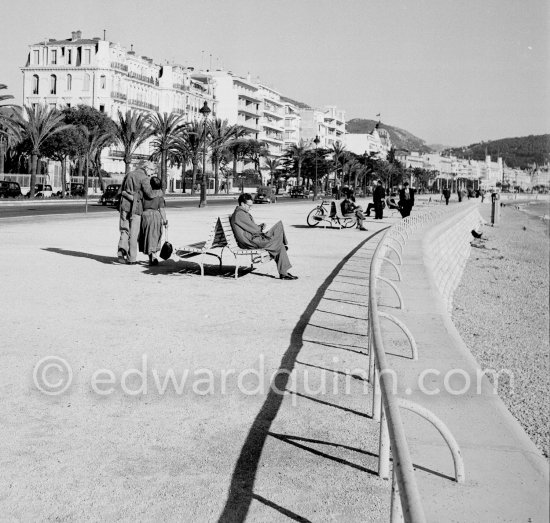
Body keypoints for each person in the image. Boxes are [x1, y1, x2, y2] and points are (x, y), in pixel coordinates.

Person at [230, 193, 297, 280]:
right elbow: (255, 229)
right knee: (279, 229)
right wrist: (260, 227)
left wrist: (259, 227)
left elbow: (251, 228)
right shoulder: (240, 214)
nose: (250, 208)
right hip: (251, 241)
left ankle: (284, 273)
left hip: (253, 238)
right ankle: (283, 271)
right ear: (242, 204)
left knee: (279, 238)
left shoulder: (242, 213)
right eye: (249, 205)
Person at [117, 160, 157, 265]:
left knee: (124, 229)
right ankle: (131, 259)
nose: (152, 174)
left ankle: (121, 249)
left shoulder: (129, 174)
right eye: (152, 171)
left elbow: (121, 191)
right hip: (137, 208)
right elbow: (149, 194)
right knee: (134, 234)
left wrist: (127, 194)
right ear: (147, 168)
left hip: (125, 205)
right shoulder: (144, 178)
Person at [139, 176, 168, 266]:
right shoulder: (159, 194)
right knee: (155, 236)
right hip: (156, 216)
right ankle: (154, 255)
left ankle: (151, 256)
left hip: (145, 216)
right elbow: (162, 209)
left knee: (147, 236)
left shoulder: (144, 193)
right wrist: (165, 221)